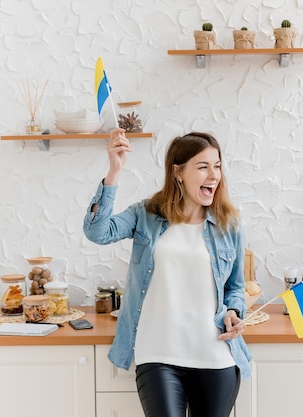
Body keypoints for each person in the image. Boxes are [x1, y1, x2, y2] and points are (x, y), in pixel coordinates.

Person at [83, 127, 252, 417]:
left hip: (215, 355)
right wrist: (114, 170)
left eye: (217, 166)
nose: (213, 175)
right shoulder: (146, 214)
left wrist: (235, 312)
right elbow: (97, 231)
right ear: (178, 173)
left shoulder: (229, 224)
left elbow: (236, 286)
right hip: (158, 354)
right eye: (203, 167)